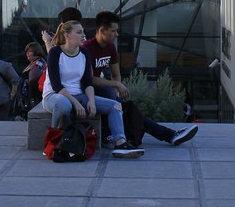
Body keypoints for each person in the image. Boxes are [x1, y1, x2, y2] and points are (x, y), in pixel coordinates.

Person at [83, 11, 198, 147]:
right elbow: (89, 79)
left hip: (103, 92)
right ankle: (170, 135)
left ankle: (170, 135)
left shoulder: (110, 48)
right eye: (113, 31)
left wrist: (117, 88)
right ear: (102, 31)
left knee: (130, 110)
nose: (116, 34)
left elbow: (116, 74)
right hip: (87, 92)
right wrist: (116, 85)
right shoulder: (87, 48)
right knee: (127, 108)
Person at [43, 20, 144, 158]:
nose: (83, 35)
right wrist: (76, 103)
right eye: (79, 32)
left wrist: (91, 100)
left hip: (79, 94)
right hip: (55, 96)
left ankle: (121, 142)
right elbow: (56, 85)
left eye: (83, 32)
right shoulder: (55, 53)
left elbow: (87, 82)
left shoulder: (84, 53)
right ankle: (51, 141)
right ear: (67, 35)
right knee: (64, 105)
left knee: (114, 105)